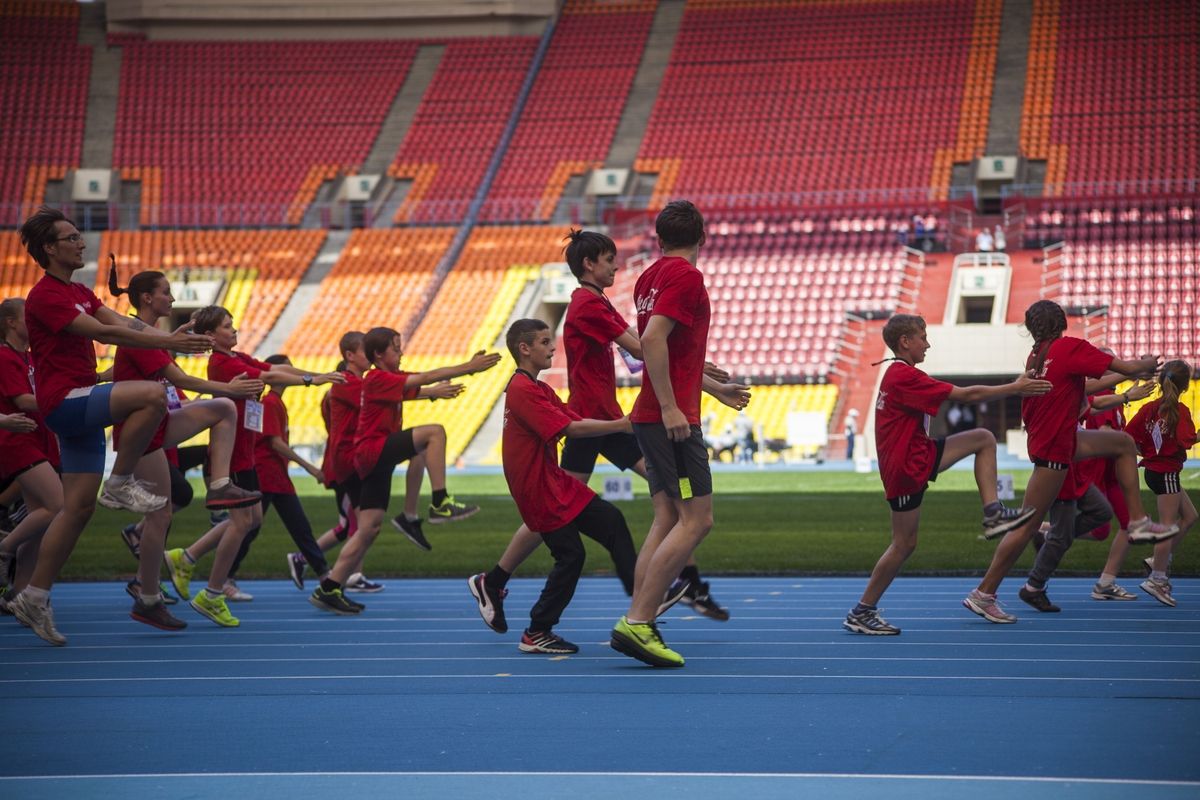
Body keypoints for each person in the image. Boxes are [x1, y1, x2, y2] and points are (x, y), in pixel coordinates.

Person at [468, 230, 748, 636]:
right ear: (589, 264)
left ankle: (676, 583)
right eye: (609, 259)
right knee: (560, 510)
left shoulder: (597, 301)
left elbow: (645, 349)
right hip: (592, 423)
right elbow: (643, 349)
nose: (616, 266)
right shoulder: (586, 304)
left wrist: (701, 375)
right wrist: (701, 375)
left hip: (608, 419)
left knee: (669, 496)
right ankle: (495, 580)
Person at [10, 208, 213, 646]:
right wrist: (170, 341)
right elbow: (108, 335)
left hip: (80, 403)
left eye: (79, 235)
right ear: (50, 248)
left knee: (77, 509)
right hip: (65, 402)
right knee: (152, 394)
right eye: (72, 237)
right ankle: (119, 481)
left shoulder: (79, 290)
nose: (81, 242)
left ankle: (34, 596)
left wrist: (170, 336)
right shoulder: (45, 296)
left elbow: (124, 322)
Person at [964, 300, 1178, 624]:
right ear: (1061, 322)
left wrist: (1129, 380)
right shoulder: (1068, 348)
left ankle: (1137, 520)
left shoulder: (1039, 355)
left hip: (1058, 441)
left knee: (1123, 443)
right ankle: (984, 593)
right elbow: (1124, 368)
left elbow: (1086, 388)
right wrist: (1146, 364)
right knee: (1026, 527)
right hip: (1055, 449)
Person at [842, 314, 1047, 635]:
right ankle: (862, 611)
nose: (928, 344)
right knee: (903, 544)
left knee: (983, 439)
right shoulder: (903, 375)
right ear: (905, 342)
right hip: (907, 467)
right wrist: (1016, 387)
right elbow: (967, 395)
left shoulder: (900, 372)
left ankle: (993, 512)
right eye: (922, 337)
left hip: (918, 455)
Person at [609, 200, 733, 668]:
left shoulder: (648, 277)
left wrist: (712, 387)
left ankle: (639, 617)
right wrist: (670, 407)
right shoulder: (686, 277)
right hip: (670, 418)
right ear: (702, 237)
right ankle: (638, 621)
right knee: (697, 520)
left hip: (653, 414)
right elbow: (653, 341)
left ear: (659, 239)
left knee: (666, 517)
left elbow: (667, 348)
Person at [162, 304, 342, 627]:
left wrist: (315, 376)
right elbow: (269, 375)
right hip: (231, 455)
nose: (234, 329)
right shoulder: (223, 363)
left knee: (251, 518)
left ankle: (187, 556)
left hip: (244, 453)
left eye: (233, 324)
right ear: (210, 335)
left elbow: (272, 368)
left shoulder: (238, 357)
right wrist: (312, 380)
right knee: (243, 521)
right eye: (227, 326)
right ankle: (212, 593)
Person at [107, 270, 266, 630]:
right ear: (147, 298)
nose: (173, 298)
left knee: (221, 410)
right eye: (166, 292)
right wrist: (229, 388)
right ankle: (148, 595)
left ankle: (219, 485)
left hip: (157, 425)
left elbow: (172, 389)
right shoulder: (141, 337)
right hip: (140, 434)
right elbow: (179, 379)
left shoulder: (154, 338)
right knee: (157, 515)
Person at [308, 327, 497, 614]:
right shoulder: (376, 378)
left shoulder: (388, 378)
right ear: (378, 354)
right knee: (434, 433)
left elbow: (420, 383)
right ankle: (439, 502)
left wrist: (437, 390)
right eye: (396, 348)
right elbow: (426, 377)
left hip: (373, 456)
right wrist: (469, 367)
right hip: (372, 451)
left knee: (368, 529)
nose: (402, 352)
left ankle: (330, 588)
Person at [480, 319, 641, 654]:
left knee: (612, 521)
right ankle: (537, 631)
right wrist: (621, 425)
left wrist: (624, 424)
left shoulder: (538, 388)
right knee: (571, 556)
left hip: (554, 482)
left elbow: (575, 418)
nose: (553, 348)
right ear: (524, 349)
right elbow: (570, 428)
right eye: (544, 342)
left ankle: (642, 598)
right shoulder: (522, 390)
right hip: (539, 488)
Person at [225, 353, 337, 592]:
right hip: (267, 475)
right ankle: (225, 576)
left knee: (298, 527)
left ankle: (324, 574)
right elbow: (275, 442)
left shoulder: (274, 402)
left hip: (275, 476)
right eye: (287, 370)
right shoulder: (270, 403)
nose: (292, 375)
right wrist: (310, 468)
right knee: (254, 528)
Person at [0, 298, 61, 610]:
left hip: (37, 440)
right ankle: (5, 547)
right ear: (11, 322)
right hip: (18, 441)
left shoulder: (29, 357)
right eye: (28, 317)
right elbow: (23, 401)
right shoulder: (5, 357)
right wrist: (64, 401)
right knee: (57, 505)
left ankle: (19, 594)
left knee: (40, 524)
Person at [1126, 360, 1197, 607]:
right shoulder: (1179, 411)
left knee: (1190, 516)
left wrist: (1146, 452)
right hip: (1166, 472)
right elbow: (1188, 440)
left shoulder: (1150, 408)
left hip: (1155, 471)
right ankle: (1157, 578)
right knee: (1167, 527)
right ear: (1185, 386)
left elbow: (1129, 436)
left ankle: (1157, 560)